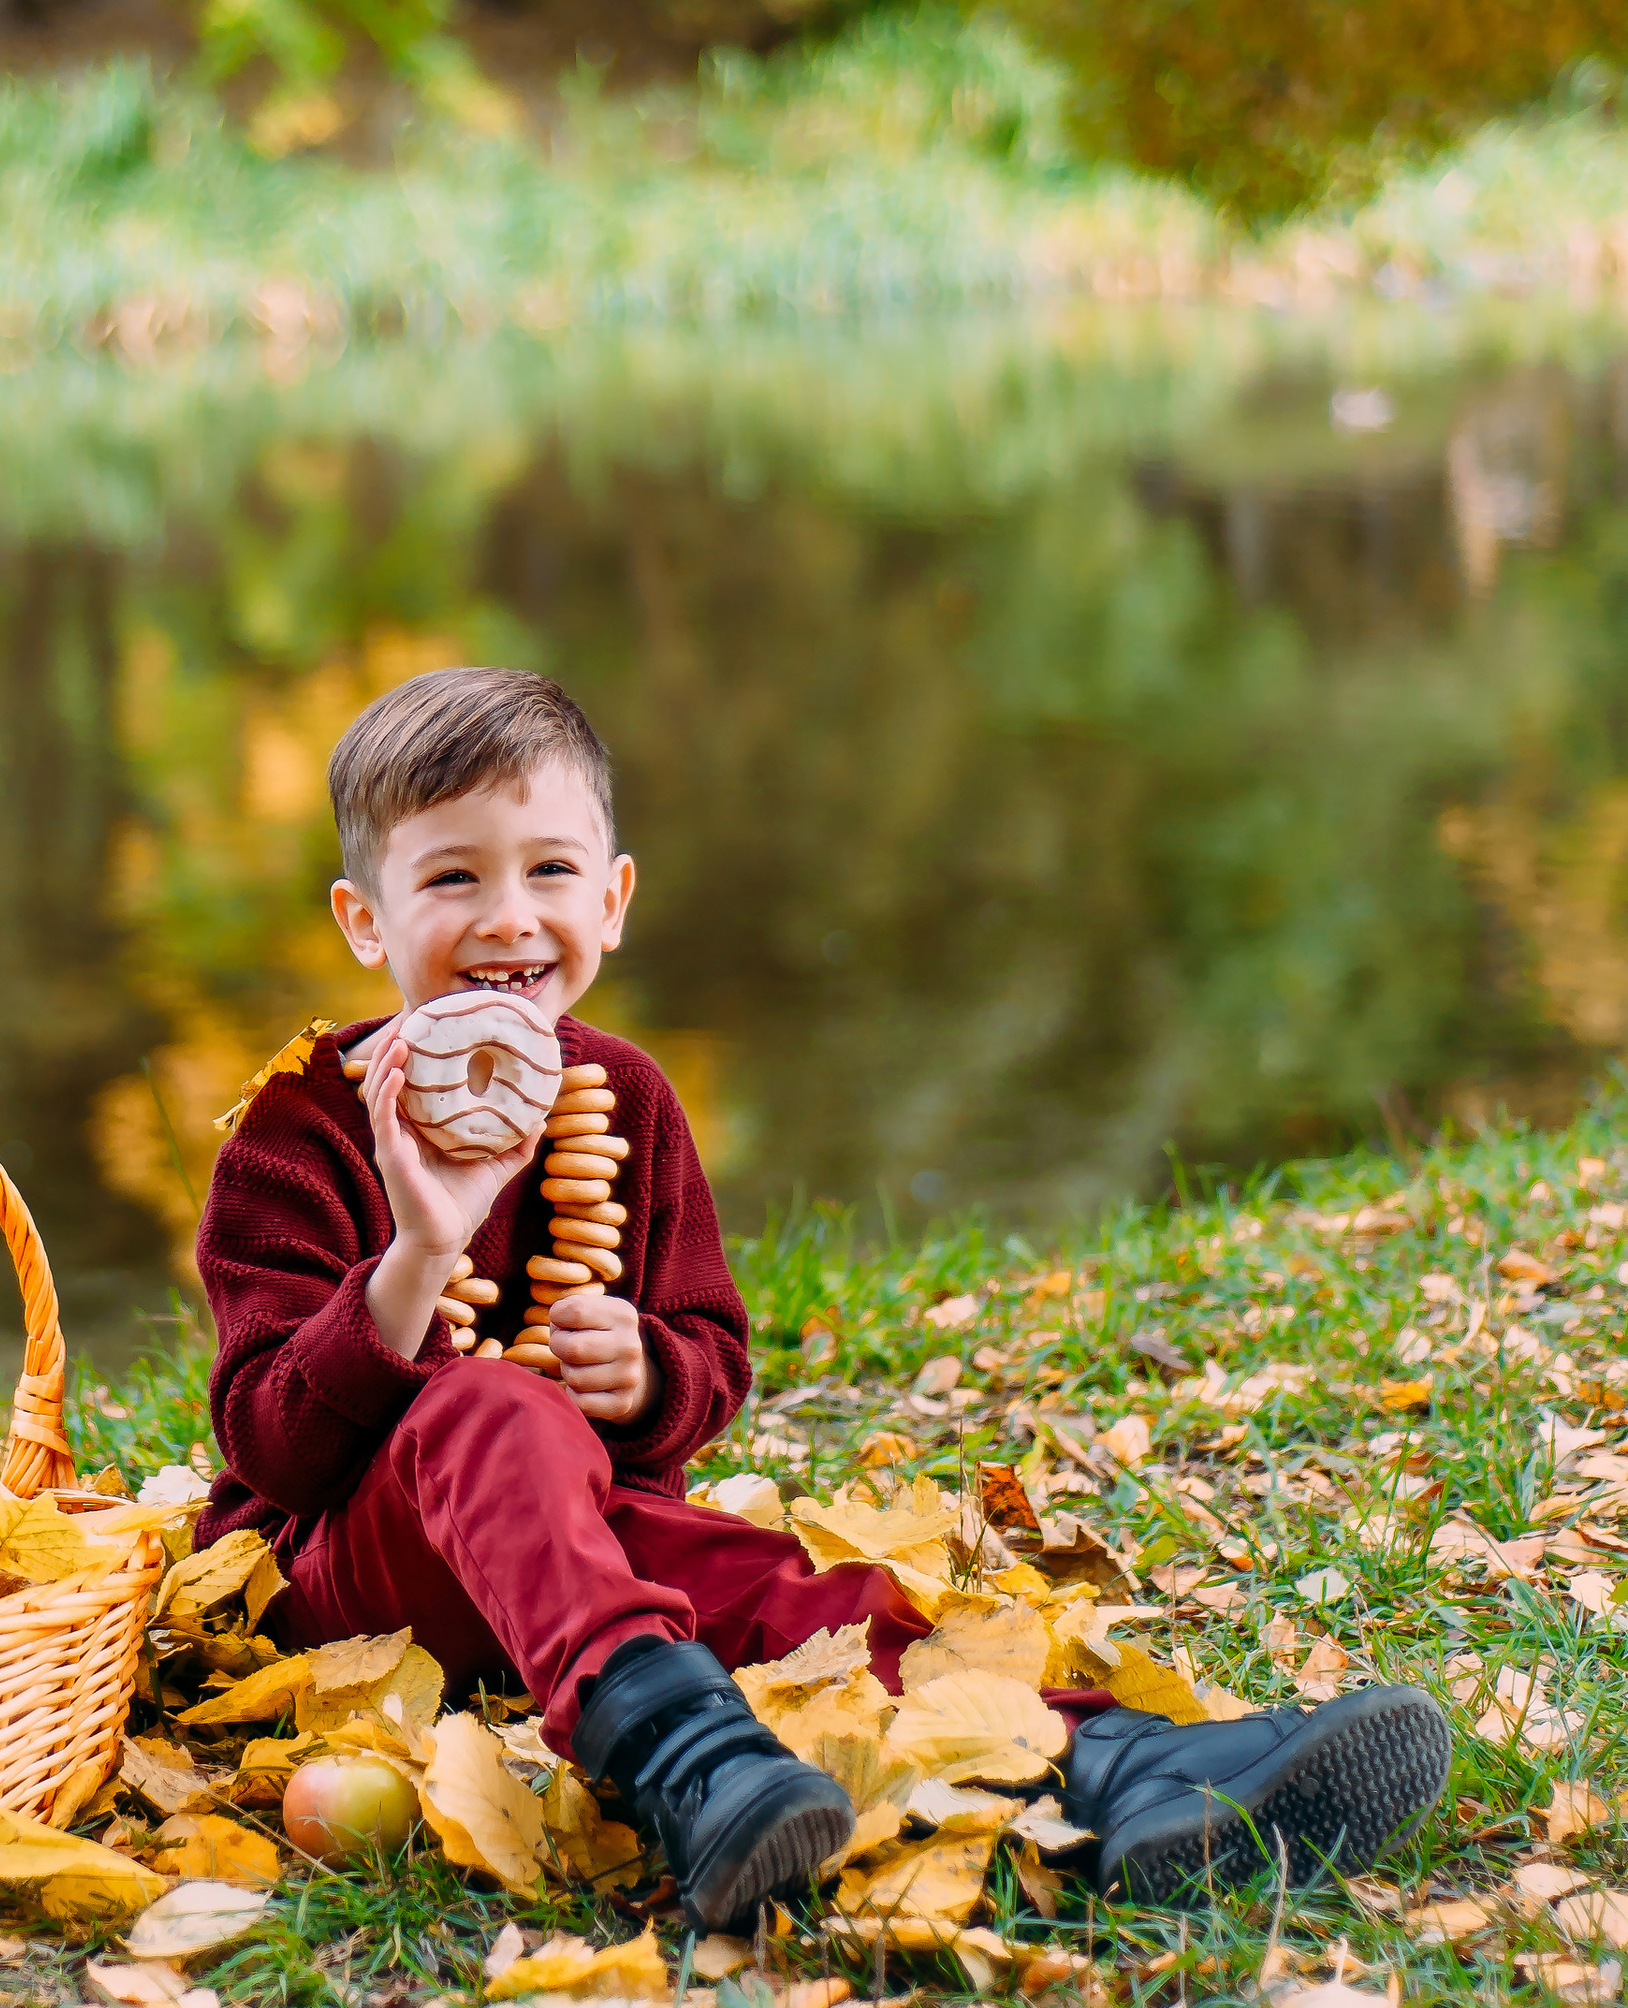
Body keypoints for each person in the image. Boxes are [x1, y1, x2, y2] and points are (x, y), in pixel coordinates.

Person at [193, 663, 1452, 1932]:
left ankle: (1117, 1768)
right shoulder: (302, 1125)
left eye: (551, 872)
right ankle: (686, 1762)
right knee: (488, 1409)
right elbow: (271, 1445)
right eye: (452, 877)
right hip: (360, 1594)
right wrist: (417, 1252)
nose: (508, 916)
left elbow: (710, 1351)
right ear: (366, 921)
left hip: (588, 1556)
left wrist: (647, 1377)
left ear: (614, 899)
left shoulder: (623, 1099)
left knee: (799, 1599)